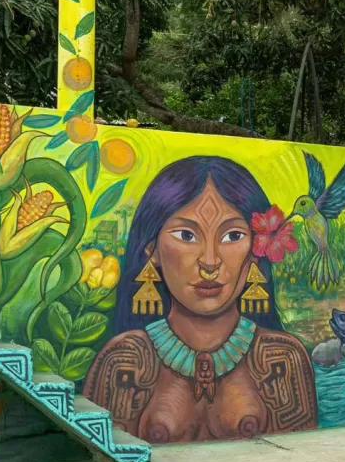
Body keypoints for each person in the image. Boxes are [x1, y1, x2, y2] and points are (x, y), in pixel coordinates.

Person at [83, 156, 318, 443]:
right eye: (186, 235)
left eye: (232, 235)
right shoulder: (123, 360)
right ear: (152, 250)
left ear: (256, 250)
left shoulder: (284, 358)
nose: (210, 262)